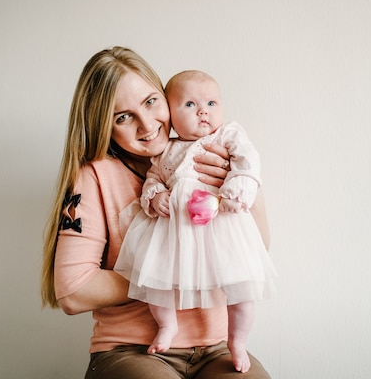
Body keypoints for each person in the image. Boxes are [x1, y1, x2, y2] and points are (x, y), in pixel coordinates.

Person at [41, 46, 273, 378]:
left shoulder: (212, 152)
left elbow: (256, 248)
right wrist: (172, 268)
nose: (148, 124)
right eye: (123, 117)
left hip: (216, 347)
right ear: (103, 126)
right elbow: (74, 292)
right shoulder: (94, 176)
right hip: (131, 350)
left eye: (150, 102)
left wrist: (242, 183)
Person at [114, 70, 276, 373]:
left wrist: (236, 188)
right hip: (176, 236)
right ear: (170, 115)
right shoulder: (166, 151)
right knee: (157, 283)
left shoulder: (227, 135)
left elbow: (248, 162)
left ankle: (237, 340)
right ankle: (167, 325)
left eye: (212, 103)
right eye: (190, 104)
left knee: (241, 291)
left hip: (223, 227)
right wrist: (154, 197)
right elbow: (154, 179)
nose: (203, 111)